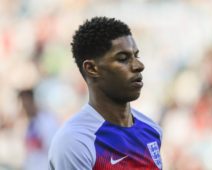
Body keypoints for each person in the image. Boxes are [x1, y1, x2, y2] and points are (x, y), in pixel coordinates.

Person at [48, 16, 163, 170]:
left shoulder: (151, 130)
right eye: (123, 58)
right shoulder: (75, 141)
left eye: (136, 56)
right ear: (92, 68)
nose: (139, 65)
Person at [19, 89, 58, 170]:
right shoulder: (28, 123)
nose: (25, 107)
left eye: (26, 103)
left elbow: (52, 146)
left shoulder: (47, 120)